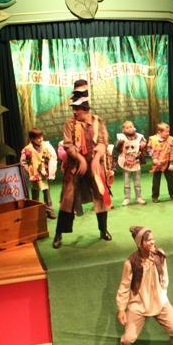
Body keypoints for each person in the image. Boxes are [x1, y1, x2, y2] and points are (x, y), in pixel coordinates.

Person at [114, 225, 173, 345]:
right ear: (140, 243)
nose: (152, 242)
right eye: (148, 240)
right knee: (128, 338)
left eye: (153, 239)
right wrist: (121, 309)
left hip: (160, 301)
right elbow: (124, 286)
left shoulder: (160, 255)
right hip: (138, 304)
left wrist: (162, 294)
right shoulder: (131, 263)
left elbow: (165, 276)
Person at [52, 80, 112, 248]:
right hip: (76, 166)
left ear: (85, 109)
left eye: (77, 108)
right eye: (73, 108)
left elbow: (103, 142)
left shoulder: (98, 122)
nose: (74, 111)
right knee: (67, 198)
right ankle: (58, 234)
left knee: (100, 196)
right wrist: (80, 159)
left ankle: (103, 230)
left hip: (94, 166)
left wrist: (95, 159)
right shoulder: (70, 124)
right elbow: (68, 145)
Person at [19, 128, 57, 219]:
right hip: (35, 176)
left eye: (41, 137)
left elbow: (50, 156)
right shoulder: (27, 149)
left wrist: (48, 168)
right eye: (38, 138)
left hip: (44, 174)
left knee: (47, 192)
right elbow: (23, 162)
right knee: (35, 194)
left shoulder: (45, 146)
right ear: (32, 139)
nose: (41, 139)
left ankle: (49, 210)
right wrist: (29, 171)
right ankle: (36, 211)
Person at [115, 120, 146, 206]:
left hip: (136, 161)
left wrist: (143, 144)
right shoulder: (121, 137)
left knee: (137, 182)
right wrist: (119, 144)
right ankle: (127, 198)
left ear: (134, 127)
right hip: (126, 162)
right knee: (126, 182)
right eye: (127, 127)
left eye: (131, 127)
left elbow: (144, 144)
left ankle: (139, 197)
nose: (129, 129)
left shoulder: (140, 137)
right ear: (123, 129)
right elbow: (117, 148)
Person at [147, 122, 173, 203]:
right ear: (159, 132)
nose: (168, 133)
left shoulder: (170, 139)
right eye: (166, 132)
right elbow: (149, 149)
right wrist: (154, 158)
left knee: (170, 179)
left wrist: (172, 163)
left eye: (168, 131)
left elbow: (172, 151)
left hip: (167, 162)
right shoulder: (153, 139)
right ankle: (155, 196)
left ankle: (172, 194)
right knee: (156, 181)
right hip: (157, 163)